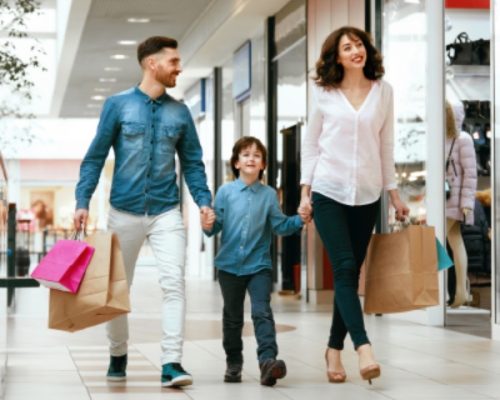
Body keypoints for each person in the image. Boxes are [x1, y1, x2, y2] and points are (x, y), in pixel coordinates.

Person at [73, 36, 212, 388]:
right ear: (152, 63)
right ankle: (118, 353)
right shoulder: (117, 106)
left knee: (173, 284)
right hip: (124, 211)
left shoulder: (179, 112)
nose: (179, 68)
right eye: (174, 62)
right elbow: (94, 157)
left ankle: (171, 363)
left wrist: (203, 201)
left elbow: (193, 163)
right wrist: (82, 201)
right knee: (117, 289)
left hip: (166, 212)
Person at [298, 26, 409, 384]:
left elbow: (386, 145)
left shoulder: (384, 92)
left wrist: (393, 193)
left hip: (367, 193)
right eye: (347, 47)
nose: (355, 51)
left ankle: (333, 349)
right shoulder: (323, 94)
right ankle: (363, 347)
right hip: (329, 190)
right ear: (337, 56)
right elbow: (311, 145)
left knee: (350, 273)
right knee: (345, 267)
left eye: (359, 44)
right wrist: (305, 191)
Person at [201, 136, 306, 386]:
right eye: (246, 154)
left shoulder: (269, 195)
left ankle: (267, 362)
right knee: (232, 317)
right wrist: (207, 226)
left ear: (263, 165)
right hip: (229, 266)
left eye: (257, 155)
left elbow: (280, 225)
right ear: (236, 163)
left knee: (262, 312)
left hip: (259, 265)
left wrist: (300, 219)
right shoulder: (225, 192)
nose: (251, 158)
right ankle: (234, 363)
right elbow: (215, 226)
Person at [445, 101, 477, 308]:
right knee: (453, 241)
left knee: (440, 241)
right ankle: (460, 291)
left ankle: (457, 291)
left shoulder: (462, 139)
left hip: (454, 199)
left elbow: (470, 173)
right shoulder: (441, 138)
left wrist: (467, 203)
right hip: (443, 198)